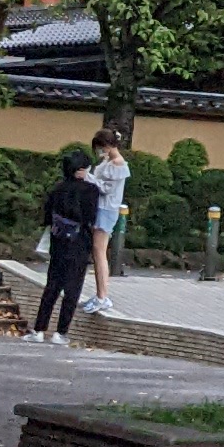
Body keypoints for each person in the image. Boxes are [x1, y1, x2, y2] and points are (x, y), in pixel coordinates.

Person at [34, 153, 99, 339]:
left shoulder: (57, 189)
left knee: (52, 286)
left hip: (58, 242)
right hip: (80, 244)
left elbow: (47, 217)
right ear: (81, 170)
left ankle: (39, 329)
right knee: (72, 289)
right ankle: (61, 332)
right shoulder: (91, 190)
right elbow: (91, 218)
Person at [85, 126, 131, 316]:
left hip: (107, 209)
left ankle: (103, 296)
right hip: (100, 208)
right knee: (97, 252)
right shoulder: (107, 162)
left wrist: (87, 177)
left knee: (99, 251)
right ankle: (100, 294)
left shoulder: (118, 165)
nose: (100, 152)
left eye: (102, 147)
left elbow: (105, 188)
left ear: (109, 145)